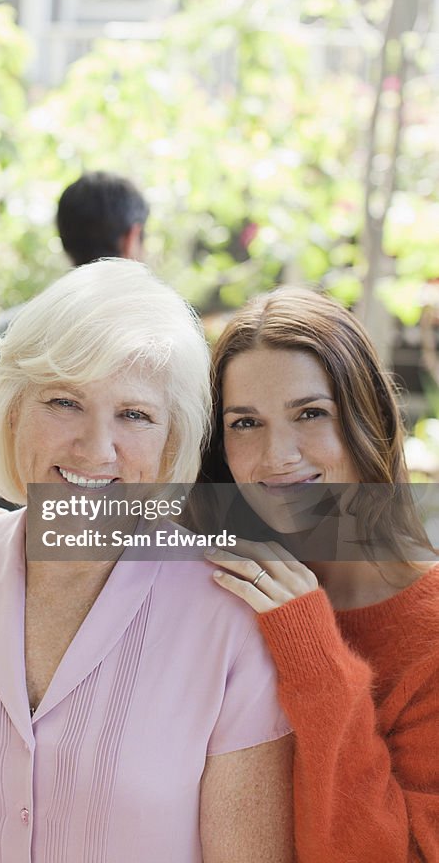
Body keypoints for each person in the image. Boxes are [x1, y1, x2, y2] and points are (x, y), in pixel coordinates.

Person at [0, 259, 293, 863]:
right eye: (65, 402)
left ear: (172, 442)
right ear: (14, 411)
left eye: (135, 414)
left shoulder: (229, 618)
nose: (96, 448)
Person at [200, 286, 439, 863]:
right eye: (245, 423)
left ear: (370, 418)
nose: (278, 455)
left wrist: (317, 658)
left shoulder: (431, 633)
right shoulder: (224, 585)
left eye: (310, 413)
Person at [0, 170, 149, 515]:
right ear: (132, 238)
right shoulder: (162, 345)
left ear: (63, 239)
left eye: (132, 415)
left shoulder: (8, 333)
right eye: (63, 403)